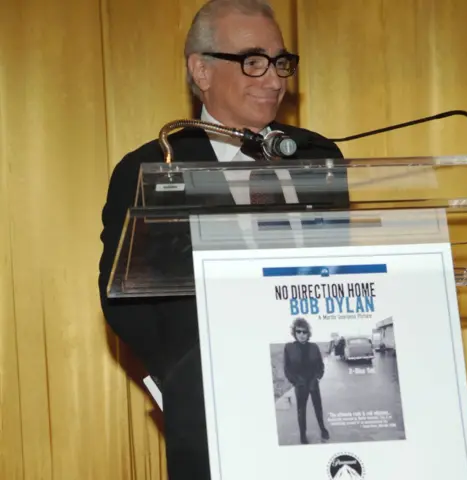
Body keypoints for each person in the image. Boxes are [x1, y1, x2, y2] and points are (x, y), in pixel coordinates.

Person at [99, 0, 347, 478]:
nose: (274, 80)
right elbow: (122, 299)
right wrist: (193, 377)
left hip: (314, 412)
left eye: (280, 62)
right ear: (202, 70)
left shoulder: (318, 155)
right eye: (253, 61)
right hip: (211, 413)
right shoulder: (156, 168)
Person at [283, 318, 329, 444]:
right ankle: (303, 435)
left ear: (308, 334)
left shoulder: (314, 347)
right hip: (300, 384)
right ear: (294, 332)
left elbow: (321, 367)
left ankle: (323, 428)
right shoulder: (289, 348)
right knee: (301, 411)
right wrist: (295, 382)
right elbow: (287, 369)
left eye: (304, 332)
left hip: (313, 382)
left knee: (318, 408)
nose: (302, 335)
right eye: (299, 332)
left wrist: (317, 378)